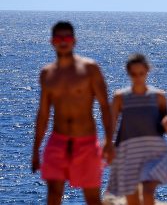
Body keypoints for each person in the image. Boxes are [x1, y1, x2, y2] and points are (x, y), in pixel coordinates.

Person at [31, 21, 115, 205]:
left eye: (67, 37)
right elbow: (43, 114)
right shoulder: (47, 73)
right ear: (52, 41)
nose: (63, 41)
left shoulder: (89, 69)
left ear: (74, 41)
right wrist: (36, 150)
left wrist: (109, 141)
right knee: (53, 196)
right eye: (59, 38)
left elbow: (105, 107)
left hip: (85, 142)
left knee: (92, 198)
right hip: (57, 141)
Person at [107, 53, 167, 205]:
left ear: (147, 71)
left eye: (141, 73)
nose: (137, 77)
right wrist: (109, 147)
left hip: (153, 153)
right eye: (133, 74)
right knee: (133, 200)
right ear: (128, 73)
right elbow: (111, 125)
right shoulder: (120, 97)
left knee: (148, 194)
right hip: (128, 153)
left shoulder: (159, 97)